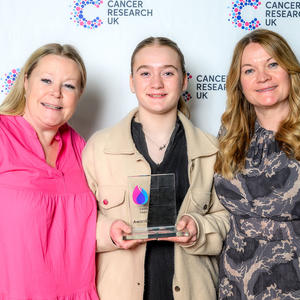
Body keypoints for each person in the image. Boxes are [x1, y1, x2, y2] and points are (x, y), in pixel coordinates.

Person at [82, 36, 229, 300]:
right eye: (145, 73)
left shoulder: (213, 150)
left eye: (168, 72)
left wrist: (198, 229)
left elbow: (228, 220)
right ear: (131, 82)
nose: (157, 83)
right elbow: (77, 223)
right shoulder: (98, 148)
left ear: (184, 81)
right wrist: (110, 232)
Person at [0, 43, 99, 299]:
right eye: (46, 80)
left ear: (78, 94)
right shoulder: (2, 135)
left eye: (68, 86)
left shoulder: (82, 148)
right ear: (25, 82)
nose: (56, 93)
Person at [214, 28, 300, 299]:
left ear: (290, 70)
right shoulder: (230, 135)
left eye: (272, 64)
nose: (262, 77)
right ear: (239, 82)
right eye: (249, 70)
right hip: (236, 284)